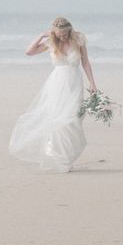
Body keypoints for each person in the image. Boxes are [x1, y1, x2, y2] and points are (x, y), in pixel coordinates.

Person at [8, 17, 98, 173]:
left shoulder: (79, 39)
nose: (62, 37)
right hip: (57, 84)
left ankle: (67, 155)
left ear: (70, 30)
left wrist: (92, 83)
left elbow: (85, 62)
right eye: (59, 34)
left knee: (73, 119)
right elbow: (29, 52)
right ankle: (60, 158)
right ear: (55, 33)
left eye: (65, 34)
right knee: (57, 118)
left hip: (74, 83)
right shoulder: (51, 43)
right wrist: (41, 36)